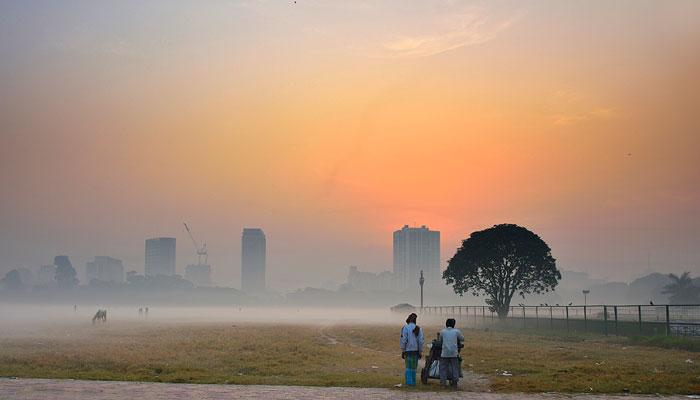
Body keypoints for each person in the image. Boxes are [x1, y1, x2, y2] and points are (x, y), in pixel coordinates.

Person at [400, 312, 424, 386]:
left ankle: (409, 383)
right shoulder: (418, 328)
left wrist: (403, 350)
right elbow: (421, 341)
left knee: (408, 367)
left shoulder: (405, 328)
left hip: (408, 351)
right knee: (414, 368)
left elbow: (404, 340)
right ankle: (413, 382)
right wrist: (420, 351)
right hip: (416, 351)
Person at [439, 318, 464, 388]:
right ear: (454, 324)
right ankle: (454, 383)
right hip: (454, 353)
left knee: (443, 368)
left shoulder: (442, 331)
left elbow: (440, 340)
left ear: (446, 324)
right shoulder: (456, 331)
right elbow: (463, 338)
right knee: (454, 368)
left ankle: (443, 383)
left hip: (445, 353)